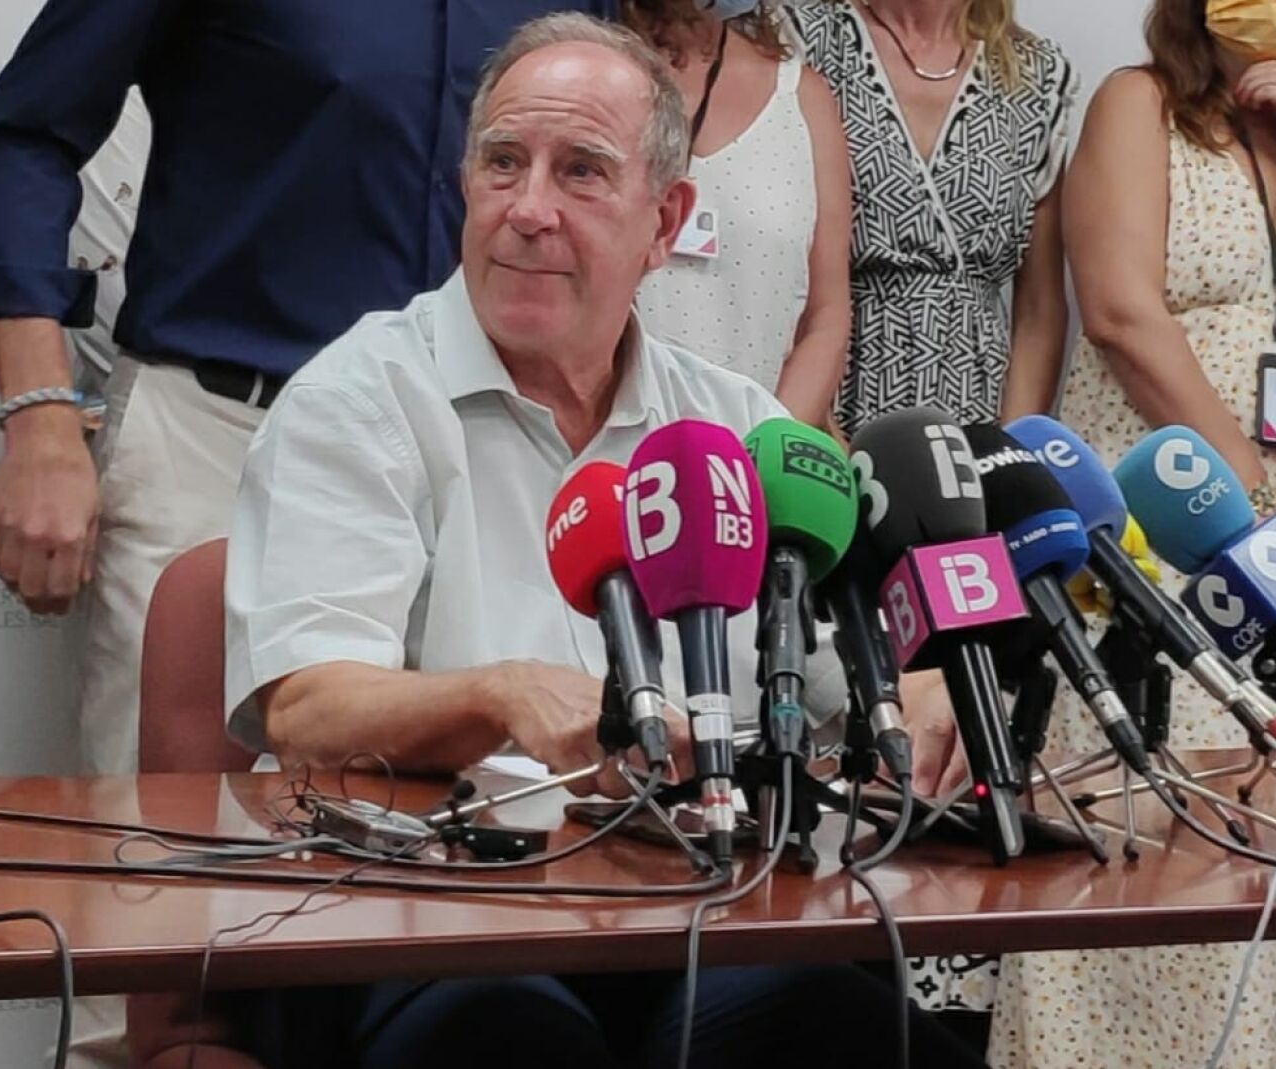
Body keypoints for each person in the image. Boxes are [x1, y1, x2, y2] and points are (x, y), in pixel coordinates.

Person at [141, 17, 988, 1069]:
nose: (528, 208)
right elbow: (306, 710)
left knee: (847, 1029)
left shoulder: (735, 427)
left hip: (689, 924)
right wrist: (497, 697)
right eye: (503, 163)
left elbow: (839, 669)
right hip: (425, 921)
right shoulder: (361, 398)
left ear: (664, 220)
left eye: (581, 171)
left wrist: (917, 696)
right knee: (518, 1037)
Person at [0, 0, 617, 788]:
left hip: (474, 449)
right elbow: (25, 139)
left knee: (501, 814)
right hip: (216, 433)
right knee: (161, 846)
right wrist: (39, 415)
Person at [973, 0, 1276, 1065]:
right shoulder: (1138, 106)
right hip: (1169, 537)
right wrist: (1241, 483)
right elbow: (1117, 309)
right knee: (1162, 828)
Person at [788, 0, 1073, 433]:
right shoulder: (806, 38)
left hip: (977, 410)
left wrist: (1010, 446)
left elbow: (1040, 307)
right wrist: (814, 427)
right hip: (828, 397)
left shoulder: (1035, 76)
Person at [625, 0, 852, 426]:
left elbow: (826, 317)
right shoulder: (586, 80)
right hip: (610, 446)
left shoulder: (802, 98)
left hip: (758, 445)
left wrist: (765, 450)